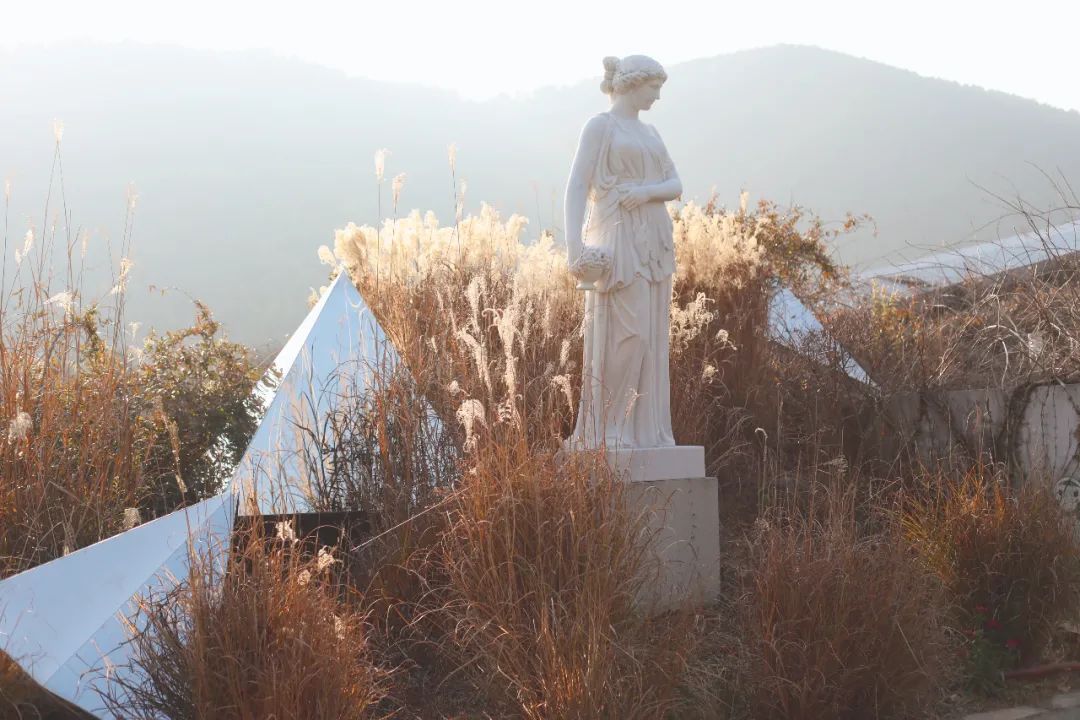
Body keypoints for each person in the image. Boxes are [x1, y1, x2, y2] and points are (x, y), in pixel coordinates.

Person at [565, 55, 683, 450]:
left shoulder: (650, 132)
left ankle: (646, 431)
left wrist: (645, 192)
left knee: (650, 338)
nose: (658, 96)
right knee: (626, 333)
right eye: (654, 88)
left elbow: (675, 183)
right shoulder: (601, 126)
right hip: (617, 236)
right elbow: (577, 186)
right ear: (634, 84)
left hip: (653, 240)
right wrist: (574, 248)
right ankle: (609, 426)